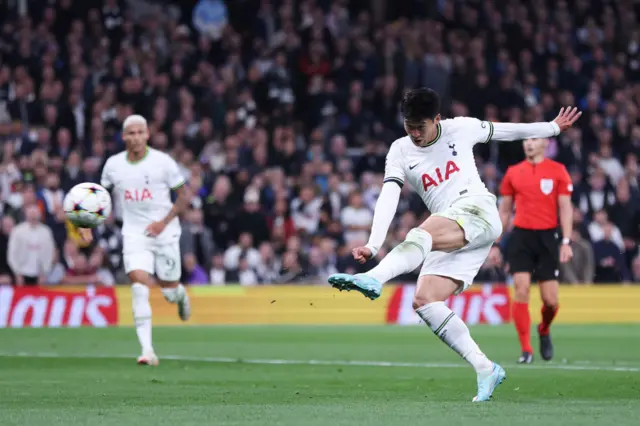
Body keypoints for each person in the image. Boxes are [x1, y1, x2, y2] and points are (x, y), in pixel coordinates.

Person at [328, 88, 581, 402]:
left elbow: (507, 131)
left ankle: (374, 279)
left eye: (421, 126)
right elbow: (390, 194)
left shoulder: (460, 128)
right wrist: (373, 242)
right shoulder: (399, 150)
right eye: (409, 126)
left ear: (437, 119)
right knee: (424, 300)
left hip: (477, 210)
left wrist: (552, 128)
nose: (415, 133)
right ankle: (485, 368)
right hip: (455, 229)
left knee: (422, 233)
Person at [78, 115, 192, 366]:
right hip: (134, 234)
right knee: (139, 286)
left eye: (141, 132)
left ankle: (181, 295)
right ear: (124, 136)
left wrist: (163, 222)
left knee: (169, 292)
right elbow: (100, 198)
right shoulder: (113, 165)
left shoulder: (163, 162)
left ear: (148, 135)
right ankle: (147, 350)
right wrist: (87, 225)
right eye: (131, 133)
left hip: (165, 232)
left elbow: (184, 196)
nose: (136, 137)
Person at [499, 138, 574, 364]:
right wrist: (495, 242)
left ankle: (543, 328)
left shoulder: (558, 171)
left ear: (545, 143)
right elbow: (504, 211)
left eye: (534, 139)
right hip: (521, 236)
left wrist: (566, 241)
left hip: (548, 238)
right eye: (526, 140)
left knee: (550, 300)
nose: (529, 144)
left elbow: (565, 208)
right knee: (520, 290)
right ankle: (526, 349)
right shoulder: (513, 172)